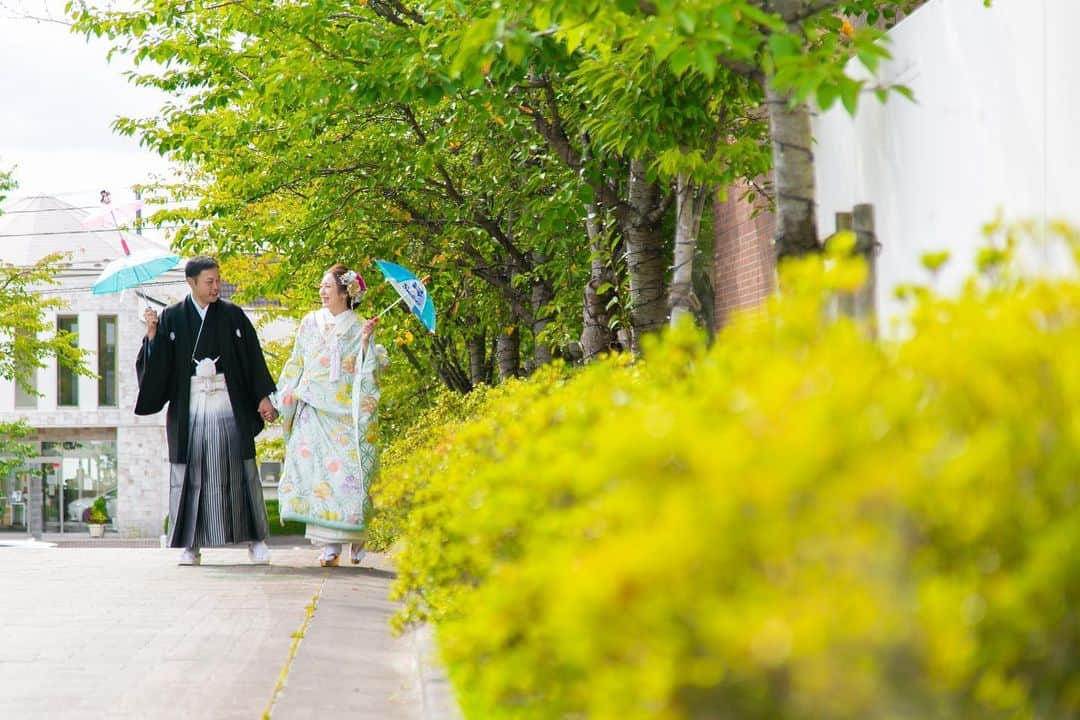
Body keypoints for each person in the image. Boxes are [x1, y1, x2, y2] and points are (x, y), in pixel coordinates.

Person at [135, 256, 278, 566]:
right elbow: (157, 369)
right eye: (209, 282)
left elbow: (252, 358)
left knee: (240, 470)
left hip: (228, 402)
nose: (216, 286)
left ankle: (255, 541)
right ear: (191, 283)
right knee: (192, 474)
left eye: (217, 280)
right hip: (191, 405)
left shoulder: (232, 315)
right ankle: (190, 544)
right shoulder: (171, 318)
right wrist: (151, 336)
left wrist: (263, 397)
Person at [273, 264, 387, 567]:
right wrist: (287, 390)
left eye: (328, 286)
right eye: (321, 286)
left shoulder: (359, 325)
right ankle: (329, 545)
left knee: (349, 474)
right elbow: (297, 360)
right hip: (314, 406)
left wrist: (365, 342)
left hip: (346, 410)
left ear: (344, 292)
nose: (322, 292)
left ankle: (357, 535)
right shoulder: (310, 322)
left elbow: (369, 368)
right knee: (320, 476)